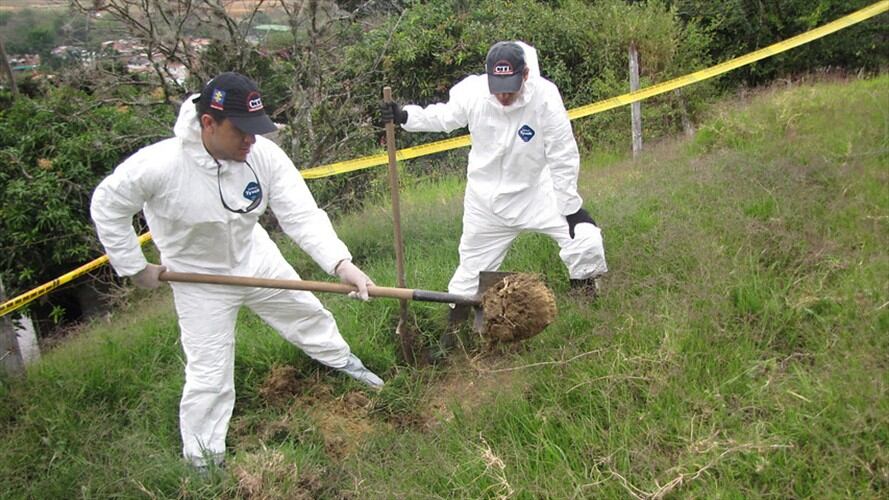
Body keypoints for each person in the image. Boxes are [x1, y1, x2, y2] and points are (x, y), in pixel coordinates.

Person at [90, 72, 383, 471]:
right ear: (208, 123)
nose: (251, 140)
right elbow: (107, 205)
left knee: (306, 313)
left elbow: (300, 213)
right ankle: (203, 462)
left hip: (254, 256)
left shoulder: (261, 155)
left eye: (256, 130)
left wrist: (341, 263)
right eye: (241, 131)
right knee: (209, 373)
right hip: (198, 278)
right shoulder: (159, 165)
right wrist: (134, 267)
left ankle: (345, 364)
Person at [381, 41, 607, 347]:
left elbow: (562, 154)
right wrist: (406, 116)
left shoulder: (545, 98)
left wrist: (570, 208)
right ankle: (452, 342)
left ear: (525, 75)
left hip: (536, 196)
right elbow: (445, 117)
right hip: (485, 204)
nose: (503, 95)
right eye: (497, 86)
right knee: (467, 275)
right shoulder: (473, 93)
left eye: (510, 87)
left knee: (585, 237)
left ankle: (587, 305)